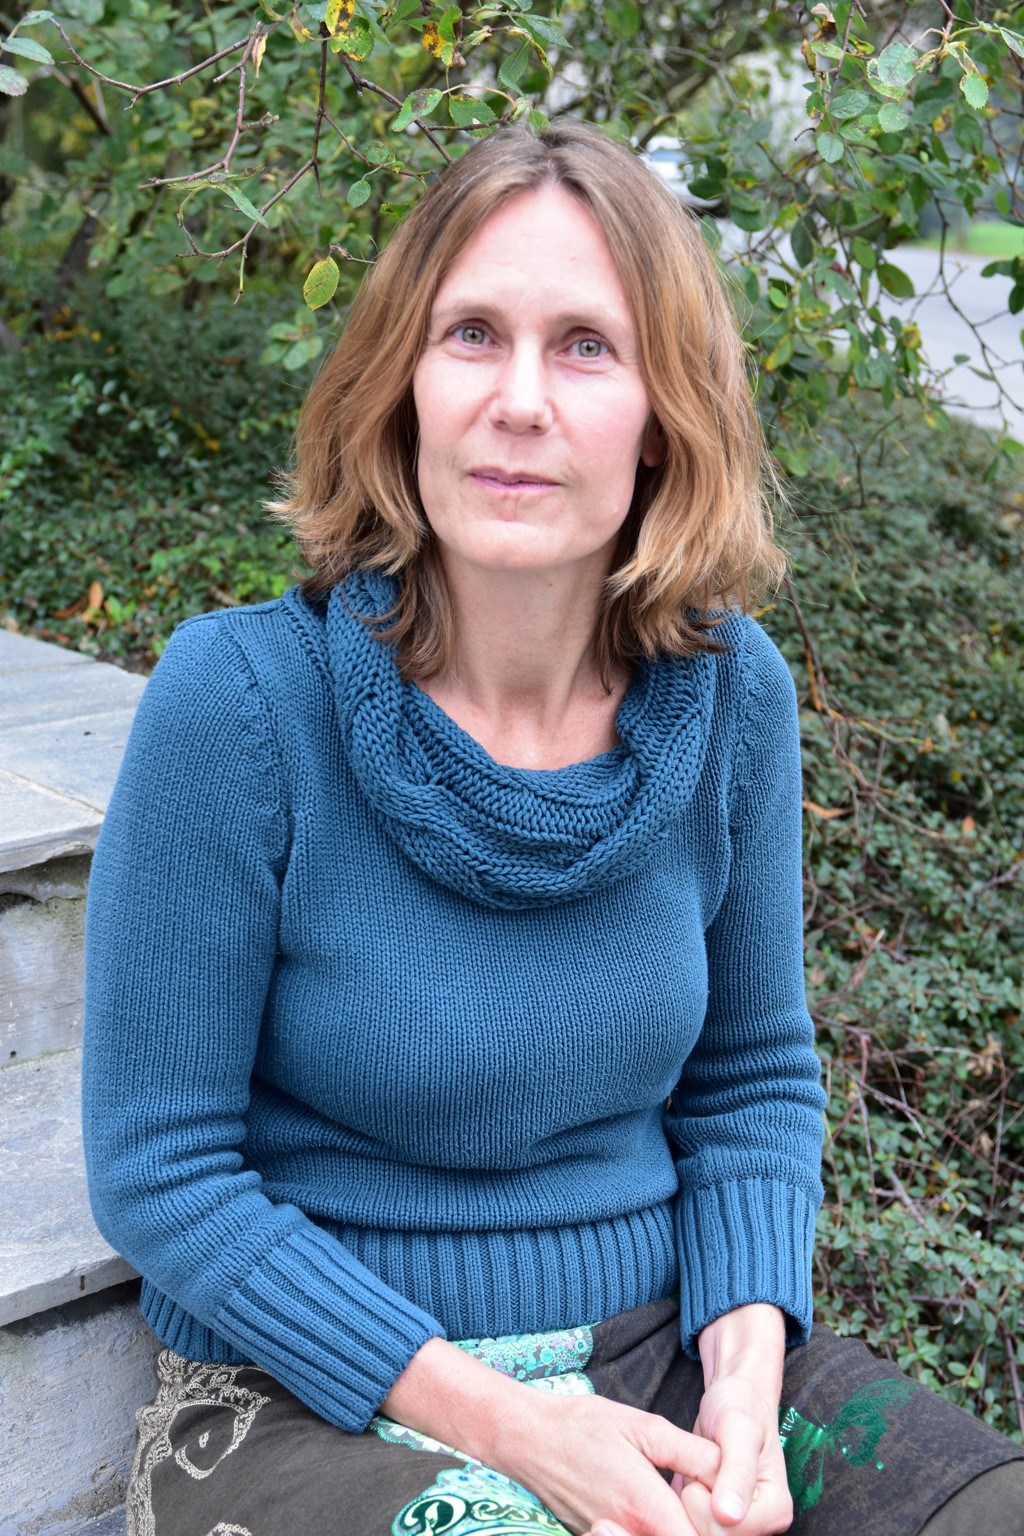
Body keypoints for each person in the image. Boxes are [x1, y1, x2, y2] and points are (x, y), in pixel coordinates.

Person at [82, 122, 1023, 1536]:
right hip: (304, 1395)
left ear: (664, 416)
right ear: (404, 382)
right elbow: (163, 1174)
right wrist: (526, 1436)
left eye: (586, 345)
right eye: (472, 334)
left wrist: (745, 1399)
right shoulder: (241, 706)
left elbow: (753, 1078)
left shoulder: (732, 698)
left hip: (655, 1346)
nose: (520, 399)